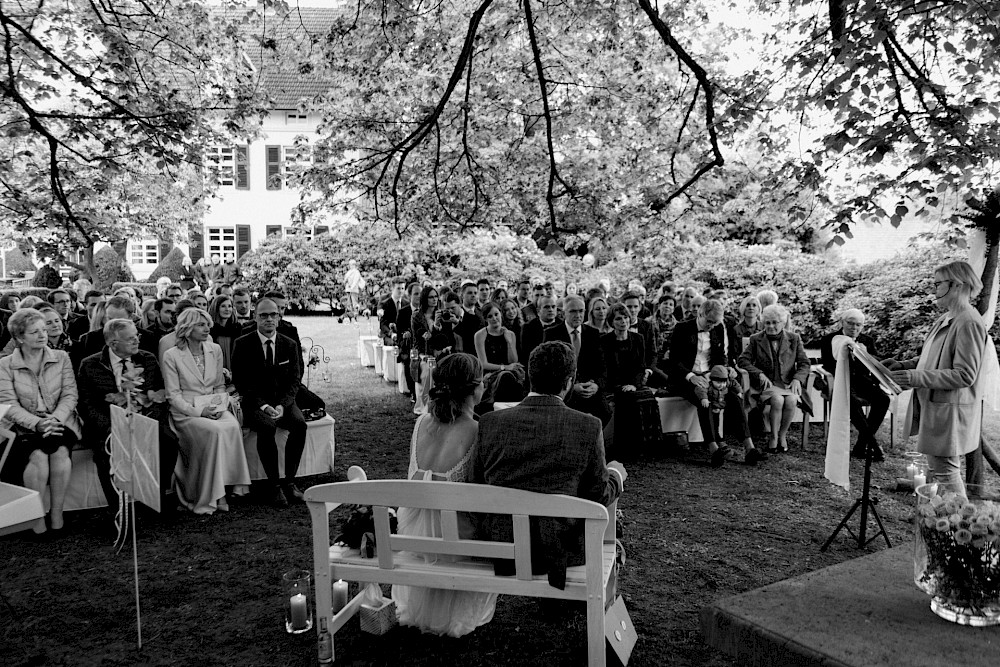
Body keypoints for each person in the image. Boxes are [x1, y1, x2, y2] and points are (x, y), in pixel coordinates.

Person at [472, 341, 626, 586]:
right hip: (562, 553)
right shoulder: (587, 426)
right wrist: (617, 477)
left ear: (530, 378)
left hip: (503, 546)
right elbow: (597, 494)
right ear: (568, 382)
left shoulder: (490, 423)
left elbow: (475, 485)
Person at [391, 353, 497, 637]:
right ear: (476, 389)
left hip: (412, 538)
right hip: (456, 547)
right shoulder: (478, 429)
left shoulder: (420, 424)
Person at [886, 261, 989, 496]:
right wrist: (903, 365)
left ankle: (960, 526)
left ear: (957, 285)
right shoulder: (947, 318)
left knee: (945, 473)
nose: (934, 290)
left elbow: (965, 374)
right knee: (938, 471)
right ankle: (940, 525)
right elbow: (931, 358)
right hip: (937, 409)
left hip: (950, 412)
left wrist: (913, 376)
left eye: (938, 284)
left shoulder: (969, 322)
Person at [77, 318, 180, 519]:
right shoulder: (90, 365)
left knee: (168, 441)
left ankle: (154, 498)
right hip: (109, 426)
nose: (136, 341)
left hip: (145, 420)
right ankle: (119, 511)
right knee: (105, 453)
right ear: (113, 343)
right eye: (130, 339)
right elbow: (87, 405)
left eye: (137, 336)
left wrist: (148, 421)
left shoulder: (147, 359)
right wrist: (110, 427)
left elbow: (159, 395)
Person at [0, 308, 79, 536]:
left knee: (60, 452)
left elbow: (70, 395)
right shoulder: (5, 365)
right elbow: (9, 405)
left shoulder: (62, 358)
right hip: (23, 426)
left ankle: (57, 515)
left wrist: (55, 419)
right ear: (19, 337)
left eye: (44, 330)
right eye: (35, 332)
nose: (43, 335)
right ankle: (36, 519)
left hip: (59, 420)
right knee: (38, 456)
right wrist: (37, 423)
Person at [163, 309, 249, 514]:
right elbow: (173, 395)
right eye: (201, 325)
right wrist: (198, 412)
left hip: (213, 405)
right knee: (214, 431)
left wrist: (219, 406)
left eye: (207, 324)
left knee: (232, 425)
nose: (207, 328)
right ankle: (216, 495)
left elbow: (219, 385)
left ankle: (234, 485)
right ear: (187, 328)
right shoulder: (172, 355)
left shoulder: (214, 349)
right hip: (185, 411)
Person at [665, 299, 765, 466]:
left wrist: (722, 372)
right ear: (700, 314)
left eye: (715, 322)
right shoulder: (682, 328)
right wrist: (692, 376)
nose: (711, 325)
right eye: (709, 321)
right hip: (685, 377)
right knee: (706, 400)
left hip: (711, 375)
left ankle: (749, 447)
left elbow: (719, 356)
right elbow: (674, 361)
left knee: (733, 396)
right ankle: (714, 448)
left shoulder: (718, 327)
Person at [232, 297, 306, 507]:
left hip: (283, 401)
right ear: (255, 317)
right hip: (255, 402)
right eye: (263, 315)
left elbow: (294, 381)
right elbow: (241, 381)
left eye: (273, 315)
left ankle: (290, 482)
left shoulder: (289, 344)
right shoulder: (243, 344)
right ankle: (274, 486)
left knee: (299, 425)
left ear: (279, 317)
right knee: (267, 426)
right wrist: (264, 406)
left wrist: (283, 404)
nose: (269, 319)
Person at [739, 304, 811, 454]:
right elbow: (743, 361)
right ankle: (773, 436)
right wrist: (758, 373)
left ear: (783, 322)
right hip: (768, 384)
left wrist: (797, 379)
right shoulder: (755, 339)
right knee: (777, 400)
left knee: (791, 400)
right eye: (767, 322)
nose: (770, 326)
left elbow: (804, 363)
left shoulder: (794, 339)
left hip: (787, 383)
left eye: (774, 322)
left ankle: (782, 435)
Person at [819, 308, 889, 461]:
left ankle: (861, 445)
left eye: (859, 325)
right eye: (850, 324)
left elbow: (875, 363)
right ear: (842, 322)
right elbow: (828, 365)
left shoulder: (867, 340)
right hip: (840, 381)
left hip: (863, 383)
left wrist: (865, 355)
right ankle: (873, 445)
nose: (854, 328)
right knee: (852, 401)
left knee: (884, 399)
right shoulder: (829, 339)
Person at [543, 295, 610, 424]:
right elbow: (549, 370)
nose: (578, 315)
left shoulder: (593, 333)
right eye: (573, 311)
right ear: (563, 313)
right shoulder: (551, 334)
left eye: (581, 311)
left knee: (605, 414)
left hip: (590, 391)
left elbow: (603, 368)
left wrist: (596, 385)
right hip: (564, 393)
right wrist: (571, 387)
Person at [473, 303, 524, 402]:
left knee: (510, 378)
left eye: (496, 314)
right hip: (490, 375)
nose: (494, 318)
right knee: (504, 378)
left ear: (501, 314)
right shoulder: (480, 335)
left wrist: (509, 342)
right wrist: (504, 367)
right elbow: (483, 364)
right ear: (485, 319)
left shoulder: (510, 334)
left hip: (510, 373)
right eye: (490, 316)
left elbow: (513, 360)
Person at [519, 294, 559, 363]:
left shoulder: (562, 325)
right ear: (538, 311)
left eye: (553, 307)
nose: (550, 310)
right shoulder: (528, 328)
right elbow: (525, 354)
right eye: (546, 307)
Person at [208, 295, 242, 370]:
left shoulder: (237, 328)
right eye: (223, 306)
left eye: (229, 306)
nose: (227, 309)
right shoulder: (209, 329)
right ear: (216, 308)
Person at [379, 277, 405, 345]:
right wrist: (391, 334)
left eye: (402, 288)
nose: (401, 291)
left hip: (403, 335)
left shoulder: (407, 303)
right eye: (398, 288)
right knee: (392, 343)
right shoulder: (385, 304)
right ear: (392, 288)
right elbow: (383, 324)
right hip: (389, 334)